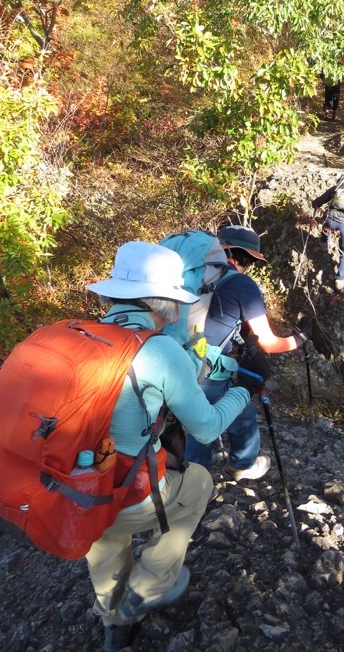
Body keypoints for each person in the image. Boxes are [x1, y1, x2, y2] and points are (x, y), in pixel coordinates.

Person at [85, 241, 263, 652]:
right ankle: (148, 587)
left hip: (77, 492)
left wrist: (214, 361)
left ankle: (115, 628)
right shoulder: (160, 349)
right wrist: (243, 391)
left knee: (106, 544)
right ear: (164, 301)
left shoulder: (86, 334)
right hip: (129, 497)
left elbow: (177, 364)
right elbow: (206, 428)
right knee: (198, 482)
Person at [184, 225, 312, 481]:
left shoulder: (190, 273)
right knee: (205, 424)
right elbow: (269, 343)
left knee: (236, 412)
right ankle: (190, 486)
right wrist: (299, 338)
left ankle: (238, 464)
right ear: (245, 258)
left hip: (172, 355)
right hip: (206, 369)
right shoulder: (242, 285)